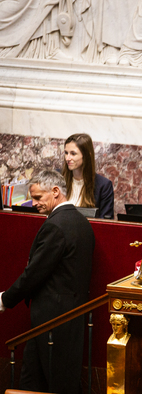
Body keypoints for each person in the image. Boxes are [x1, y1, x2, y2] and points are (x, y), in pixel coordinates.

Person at [0, 170, 95, 394]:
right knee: (50, 379)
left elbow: (35, 272)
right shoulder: (82, 222)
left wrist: (5, 299)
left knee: (45, 381)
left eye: (38, 198)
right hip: (71, 315)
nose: (34, 204)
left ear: (55, 192)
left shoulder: (56, 225)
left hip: (52, 319)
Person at [62, 133, 115, 219]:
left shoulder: (103, 185)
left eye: (73, 154)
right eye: (66, 153)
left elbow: (105, 223)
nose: (67, 158)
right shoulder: (58, 178)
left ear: (87, 155)